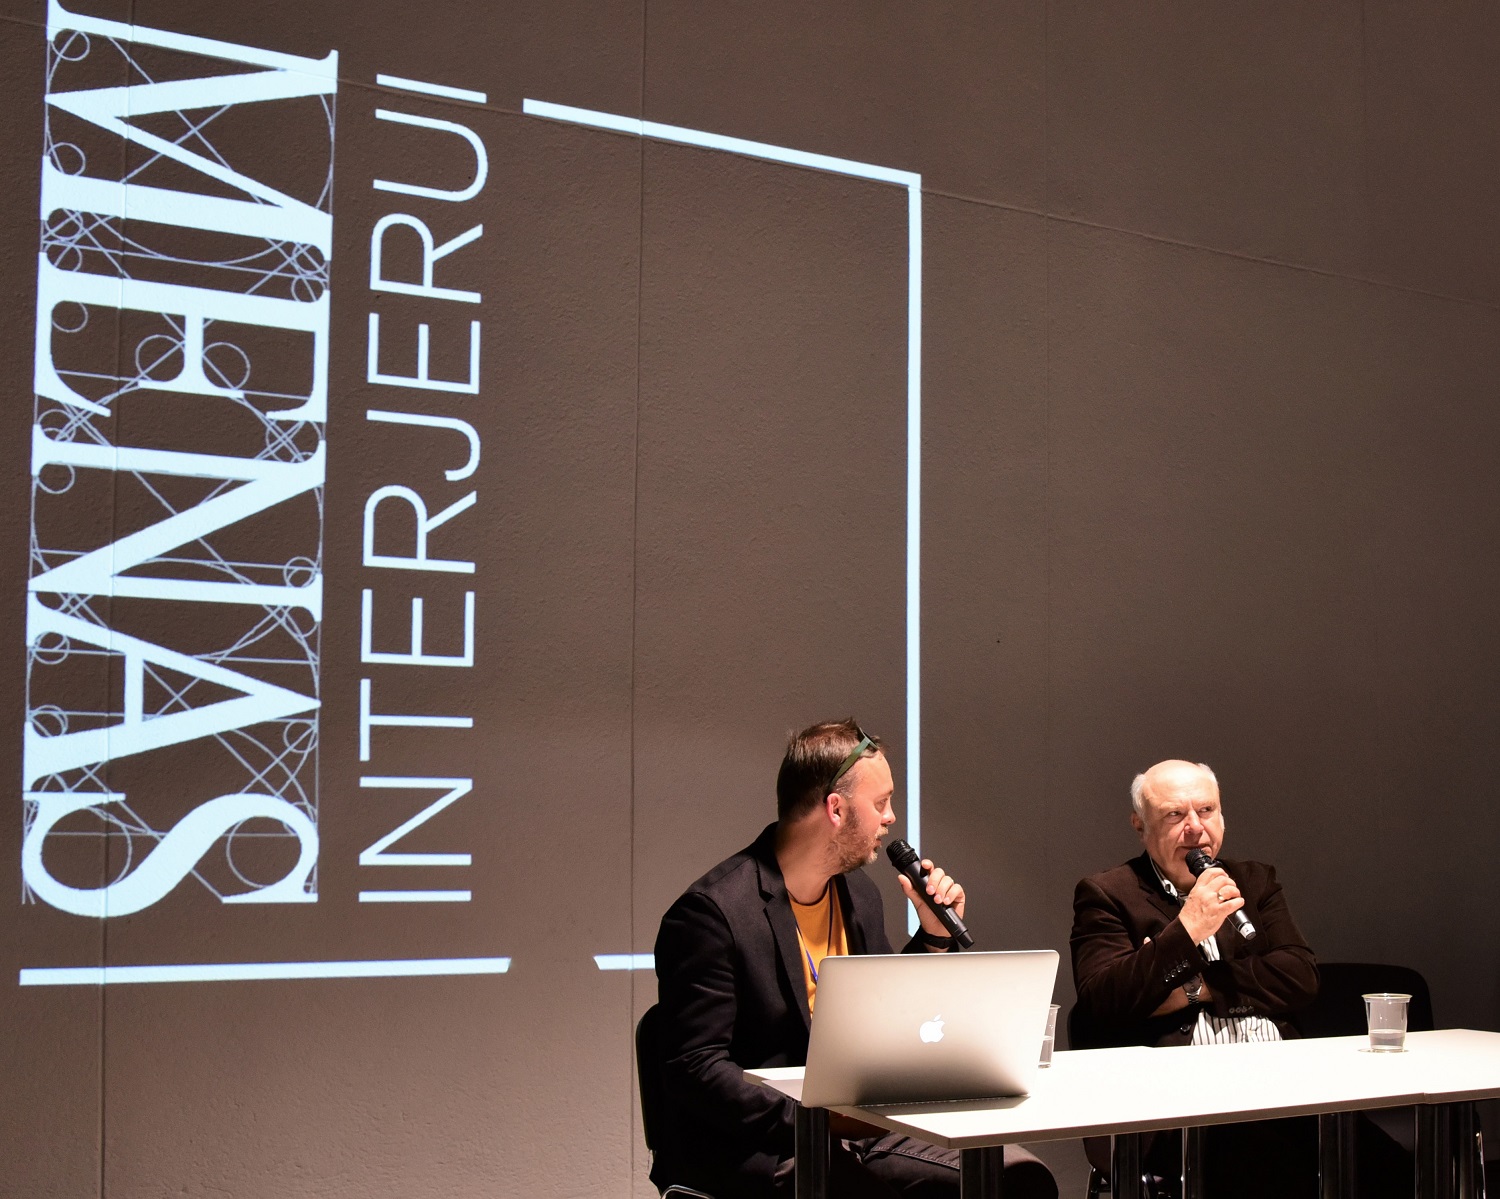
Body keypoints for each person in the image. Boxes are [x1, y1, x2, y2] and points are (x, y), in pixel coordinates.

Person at [652, 719, 1057, 1199]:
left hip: (855, 1129)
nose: (891, 818)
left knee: (1019, 1179)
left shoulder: (858, 895)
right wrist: (818, 1119)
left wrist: (933, 935)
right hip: (759, 1145)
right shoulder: (713, 914)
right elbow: (694, 1068)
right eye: (881, 803)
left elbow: (890, 1017)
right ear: (836, 809)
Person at [1070, 759, 1321, 1198]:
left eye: (1206, 811)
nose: (1195, 828)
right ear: (1140, 825)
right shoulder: (1108, 894)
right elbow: (1103, 1002)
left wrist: (1194, 989)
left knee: (1378, 1158)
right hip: (1174, 1104)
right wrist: (1187, 929)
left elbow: (1300, 976)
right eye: (1174, 815)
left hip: (1282, 1084)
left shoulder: (1255, 881)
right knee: (1263, 1157)